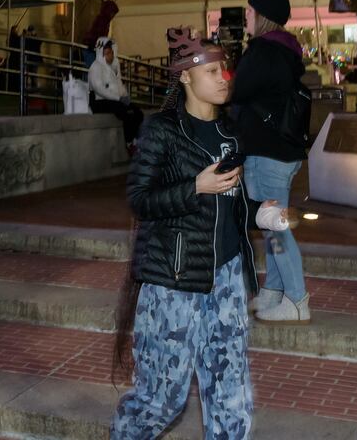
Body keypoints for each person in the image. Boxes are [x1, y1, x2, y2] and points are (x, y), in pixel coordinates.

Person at [111, 28, 255, 438]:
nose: (224, 77)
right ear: (186, 77)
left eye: (224, 68)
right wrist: (194, 187)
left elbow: (233, 203)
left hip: (225, 277)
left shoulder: (229, 133)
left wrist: (260, 215)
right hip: (174, 282)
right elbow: (140, 199)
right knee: (162, 397)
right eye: (212, 70)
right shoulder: (161, 131)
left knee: (230, 391)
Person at [230, 0, 312, 323]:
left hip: (267, 152)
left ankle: (297, 299)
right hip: (283, 151)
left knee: (275, 228)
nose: (245, 16)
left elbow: (237, 91)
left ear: (263, 16)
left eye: (250, 11)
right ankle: (274, 291)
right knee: (270, 226)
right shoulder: (286, 51)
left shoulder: (262, 52)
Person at [89, 36, 144, 151]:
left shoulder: (114, 65)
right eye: (107, 53)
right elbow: (99, 89)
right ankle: (129, 143)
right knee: (126, 114)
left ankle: (135, 140)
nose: (110, 56)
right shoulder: (95, 67)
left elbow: (118, 82)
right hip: (100, 101)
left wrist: (125, 95)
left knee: (138, 112)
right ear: (101, 54)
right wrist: (118, 98)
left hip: (115, 99)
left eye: (111, 52)